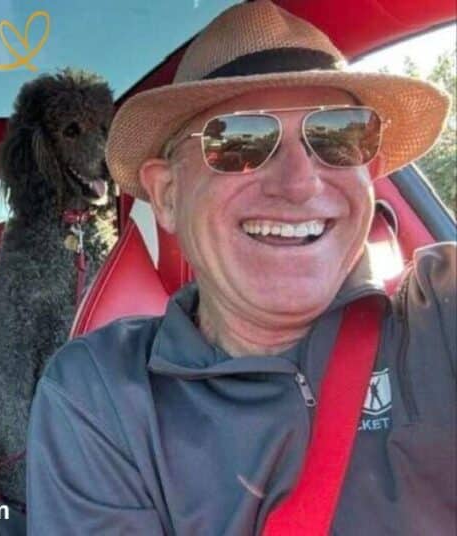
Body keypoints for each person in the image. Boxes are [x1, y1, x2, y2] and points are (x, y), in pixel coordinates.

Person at [26, 1, 455, 534]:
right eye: (239, 143)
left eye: (339, 136)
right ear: (168, 193)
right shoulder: (103, 394)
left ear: (368, 171)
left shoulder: (441, 318)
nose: (300, 184)